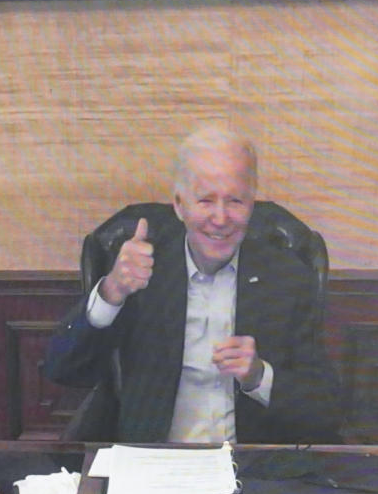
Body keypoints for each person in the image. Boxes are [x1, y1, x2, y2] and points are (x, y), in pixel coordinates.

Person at [43, 126, 341, 444]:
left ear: (252, 204)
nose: (221, 217)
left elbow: (325, 412)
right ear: (179, 204)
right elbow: (64, 370)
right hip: (155, 463)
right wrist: (112, 292)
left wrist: (259, 376)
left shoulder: (287, 277)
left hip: (250, 468)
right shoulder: (141, 271)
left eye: (235, 201)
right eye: (205, 201)